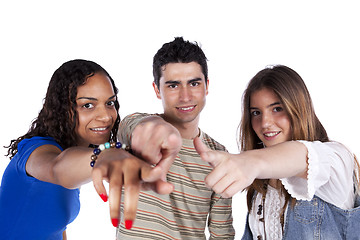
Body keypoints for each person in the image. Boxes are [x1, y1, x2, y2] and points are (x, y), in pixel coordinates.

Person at [0, 59, 173, 240]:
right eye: (87, 105)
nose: (106, 116)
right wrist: (103, 157)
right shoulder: (37, 151)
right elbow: (58, 167)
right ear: (62, 109)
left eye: (110, 103)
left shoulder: (73, 149)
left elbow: (56, 228)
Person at [194, 65, 360, 239]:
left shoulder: (335, 161)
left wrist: (252, 162)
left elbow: (302, 156)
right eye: (256, 112)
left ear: (298, 108)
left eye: (277, 109)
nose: (265, 122)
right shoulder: (260, 187)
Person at [117, 37, 235, 239]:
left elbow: (222, 234)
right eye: (173, 86)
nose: (185, 96)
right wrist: (158, 129)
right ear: (157, 90)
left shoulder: (218, 155)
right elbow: (134, 126)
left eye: (194, 83)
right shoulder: (136, 128)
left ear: (206, 86)